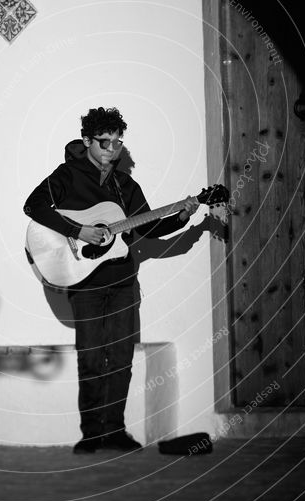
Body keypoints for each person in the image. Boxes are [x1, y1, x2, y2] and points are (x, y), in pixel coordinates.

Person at [24, 106, 198, 454]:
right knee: (90, 358)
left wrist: (181, 216)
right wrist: (79, 230)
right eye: (104, 143)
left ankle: (115, 431)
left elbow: (147, 226)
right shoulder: (67, 175)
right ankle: (91, 434)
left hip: (122, 283)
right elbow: (34, 206)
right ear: (87, 140)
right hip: (85, 284)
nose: (111, 150)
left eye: (117, 143)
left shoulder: (124, 185)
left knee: (120, 357)